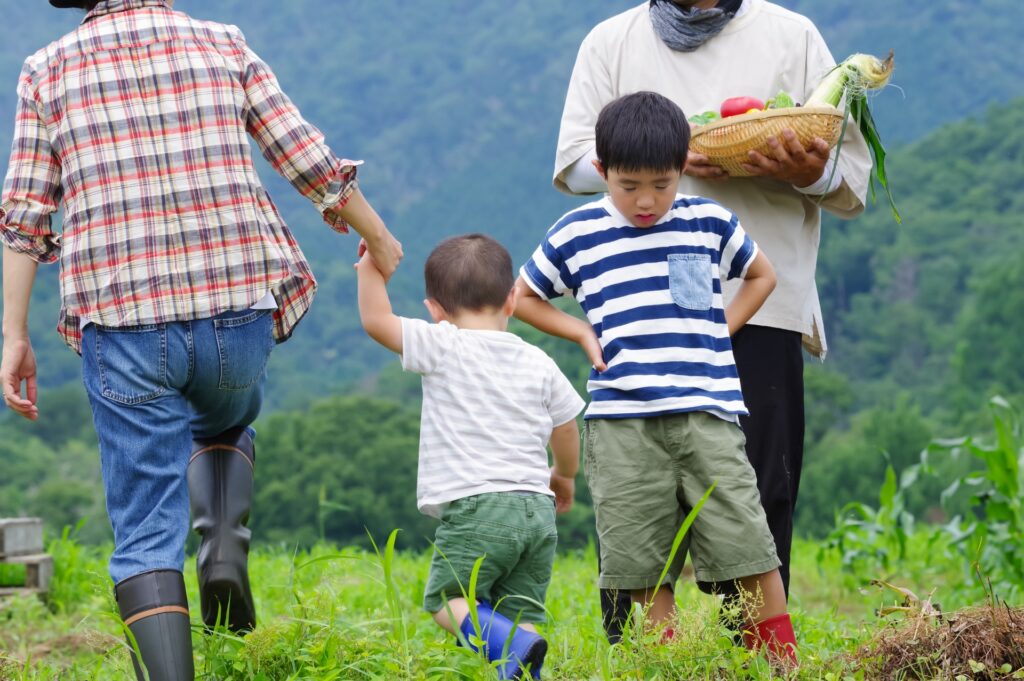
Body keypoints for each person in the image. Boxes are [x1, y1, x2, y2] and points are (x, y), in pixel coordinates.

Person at [0, 1, 402, 679]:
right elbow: (307, 158)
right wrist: (379, 236)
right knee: (225, 416)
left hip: (122, 323)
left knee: (145, 533)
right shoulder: (222, 42)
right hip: (235, 313)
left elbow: (23, 217)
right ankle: (222, 551)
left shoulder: (47, 70)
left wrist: (13, 332)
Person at [553, 0, 873, 637]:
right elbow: (572, 164)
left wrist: (806, 169)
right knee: (635, 504)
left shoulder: (793, 35)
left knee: (757, 499)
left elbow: (851, 180)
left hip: (758, 304)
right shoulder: (611, 41)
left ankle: (756, 656)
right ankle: (645, 656)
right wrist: (666, 158)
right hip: (642, 323)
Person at [516, 91, 797, 663]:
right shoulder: (578, 232)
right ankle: (662, 667)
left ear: (682, 169)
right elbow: (522, 297)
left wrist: (722, 328)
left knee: (748, 546)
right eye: (628, 186)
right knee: (639, 561)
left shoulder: (709, 221)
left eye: (662, 185)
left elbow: (762, 276)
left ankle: (781, 668)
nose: (647, 201)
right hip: (623, 425)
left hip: (709, 416)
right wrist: (579, 333)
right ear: (602, 172)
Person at [356, 233, 584, 679]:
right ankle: (523, 656)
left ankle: (515, 647)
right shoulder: (539, 360)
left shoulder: (443, 344)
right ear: (512, 299)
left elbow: (377, 321)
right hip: (537, 510)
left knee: (446, 600)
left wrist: (370, 271)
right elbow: (566, 427)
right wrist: (565, 475)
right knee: (519, 610)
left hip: (479, 506)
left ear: (435, 310)